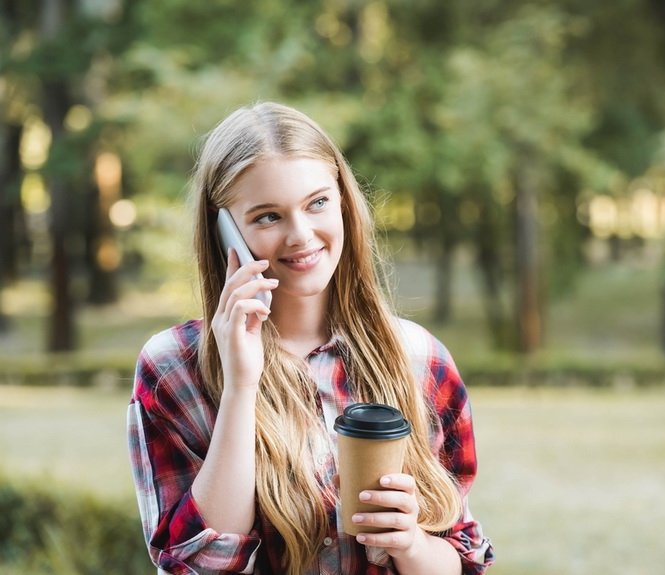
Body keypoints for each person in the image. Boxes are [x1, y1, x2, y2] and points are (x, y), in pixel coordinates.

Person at [127, 102, 494, 575]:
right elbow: (202, 564)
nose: (301, 236)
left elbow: (463, 559)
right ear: (225, 232)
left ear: (343, 202)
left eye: (317, 203)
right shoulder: (173, 368)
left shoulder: (419, 358)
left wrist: (412, 544)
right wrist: (241, 385)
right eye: (267, 217)